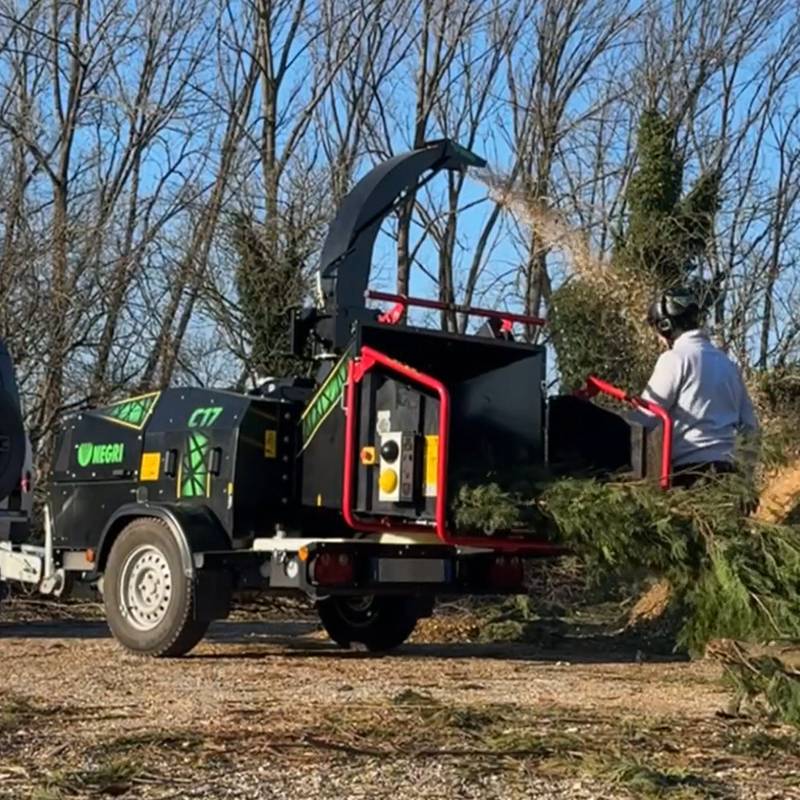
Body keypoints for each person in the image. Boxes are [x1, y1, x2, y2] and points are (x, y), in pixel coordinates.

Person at [642, 288, 759, 488]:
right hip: (729, 474)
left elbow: (645, 417)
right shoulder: (729, 366)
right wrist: (745, 481)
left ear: (665, 326)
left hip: (690, 475)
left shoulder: (674, 359)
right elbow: (751, 428)